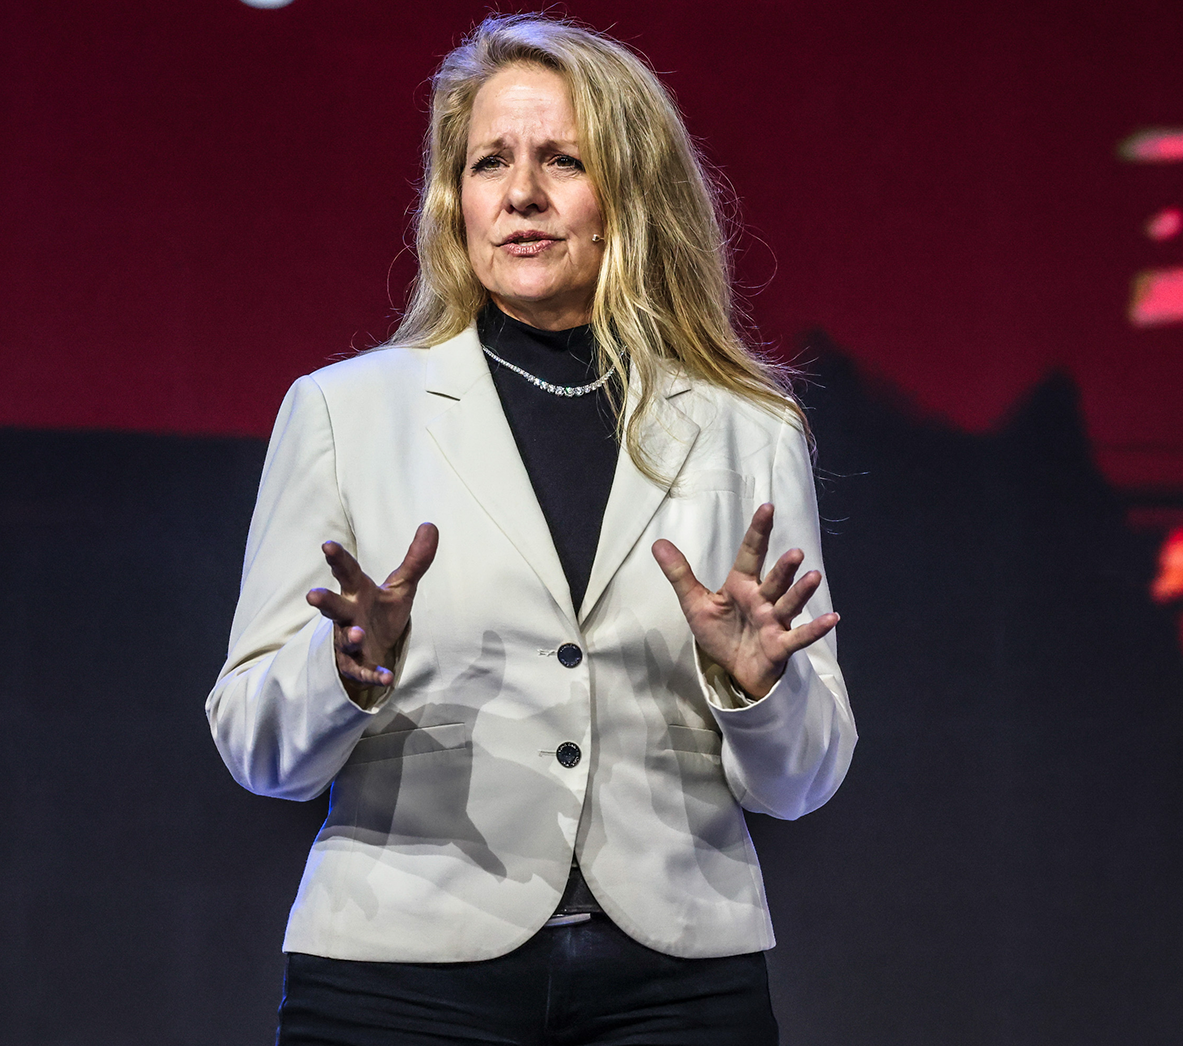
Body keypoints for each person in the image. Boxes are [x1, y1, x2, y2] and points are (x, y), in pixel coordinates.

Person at [206, 14, 856, 1045]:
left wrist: (753, 684)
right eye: (488, 163)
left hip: (677, 980)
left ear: (632, 194)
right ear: (452, 195)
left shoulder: (749, 429)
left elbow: (806, 779)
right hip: (400, 974)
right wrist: (348, 672)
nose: (519, 195)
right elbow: (254, 745)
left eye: (563, 160)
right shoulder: (346, 412)